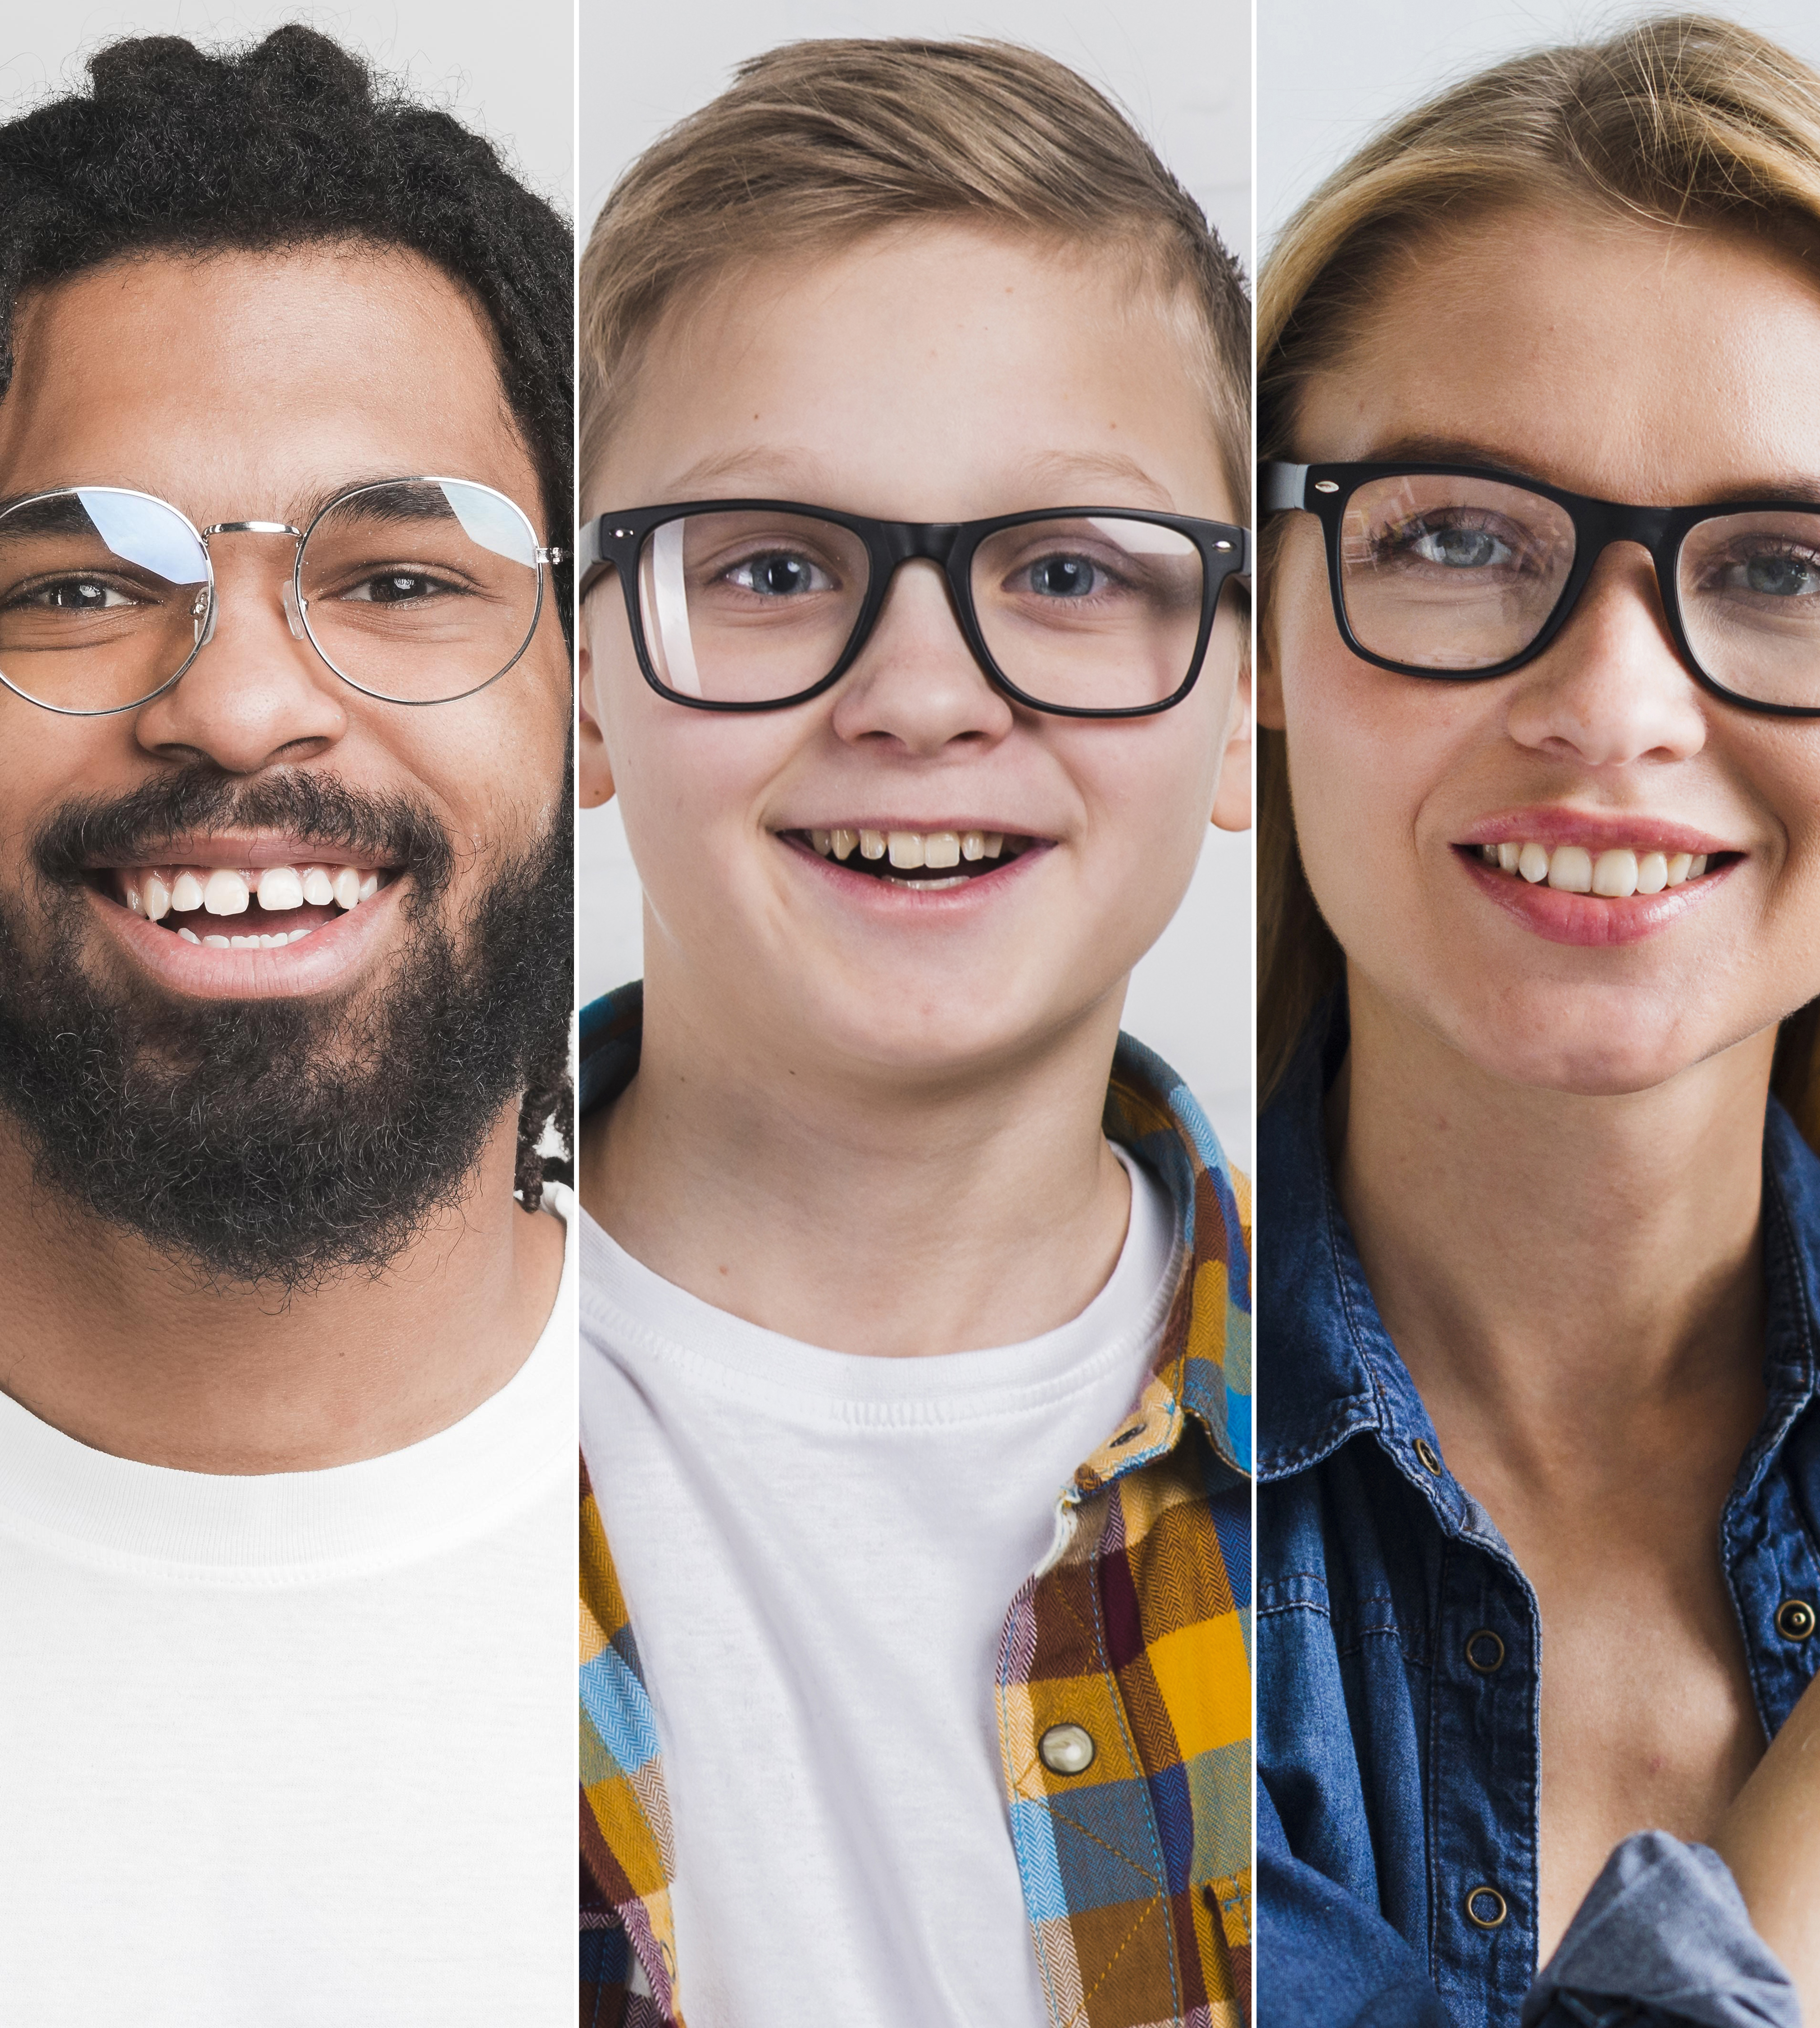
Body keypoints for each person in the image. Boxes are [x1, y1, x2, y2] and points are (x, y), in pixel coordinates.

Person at [572, 39, 1253, 2028]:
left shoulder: (1416, 1465)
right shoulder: (339, 1397)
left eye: (1063, 572)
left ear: (1239, 694)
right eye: (775, 568)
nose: (925, 693)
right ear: (591, 683)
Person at [0, 27, 576, 2019]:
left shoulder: (796, 1480)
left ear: (592, 697)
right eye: (84, 590)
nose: (242, 701)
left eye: (397, 574)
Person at [1256, 17, 1820, 2025]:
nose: (1617, 706)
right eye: (1457, 535)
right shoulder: (1034, 1504)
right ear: (1256, 626)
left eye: (1793, 565)